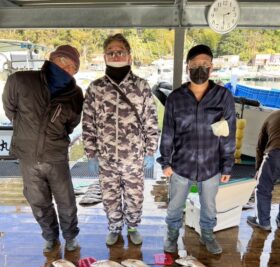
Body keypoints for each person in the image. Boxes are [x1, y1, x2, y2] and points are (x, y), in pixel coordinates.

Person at [2, 45, 84, 253]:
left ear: (76, 70)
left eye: (71, 65)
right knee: (38, 201)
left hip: (56, 155)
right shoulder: (20, 80)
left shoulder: (75, 93)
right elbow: (10, 109)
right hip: (28, 156)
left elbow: (72, 123)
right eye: (62, 61)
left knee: (66, 200)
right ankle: (50, 236)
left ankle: (70, 236)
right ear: (51, 59)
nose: (65, 67)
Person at [157, 44, 236, 255]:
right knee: (175, 206)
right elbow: (168, 133)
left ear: (212, 68)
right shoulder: (175, 98)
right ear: (187, 67)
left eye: (205, 64)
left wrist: (227, 166)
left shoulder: (223, 97)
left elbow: (228, 134)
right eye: (195, 64)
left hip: (211, 165)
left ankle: (207, 235)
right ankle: (172, 235)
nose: (200, 68)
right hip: (181, 165)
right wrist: (165, 162)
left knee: (209, 207)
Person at [82, 33, 159, 246]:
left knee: (135, 196)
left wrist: (151, 151)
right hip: (106, 158)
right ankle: (114, 227)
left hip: (134, 157)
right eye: (111, 53)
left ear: (129, 56)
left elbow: (151, 121)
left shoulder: (141, 86)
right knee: (109, 195)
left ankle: (133, 225)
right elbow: (88, 123)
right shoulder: (95, 88)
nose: (116, 56)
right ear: (105, 57)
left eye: (120, 52)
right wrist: (91, 154)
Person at [247, 110, 280, 231]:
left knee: (262, 188)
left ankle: (263, 221)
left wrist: (258, 169)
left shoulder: (272, 116)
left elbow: (260, 146)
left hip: (276, 153)